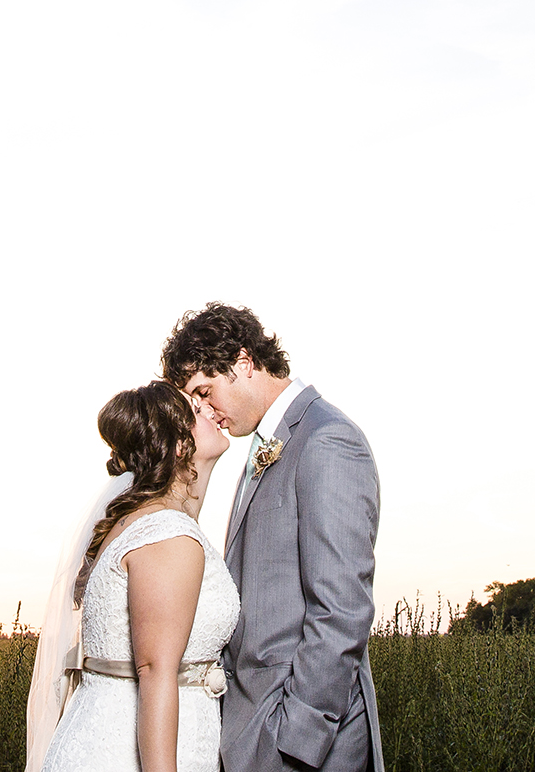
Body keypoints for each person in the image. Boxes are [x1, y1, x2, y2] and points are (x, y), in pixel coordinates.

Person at [164, 303, 383, 772]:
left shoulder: (326, 440)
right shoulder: (268, 443)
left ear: (243, 363)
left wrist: (295, 739)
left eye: (205, 391)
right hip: (254, 731)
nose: (205, 410)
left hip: (302, 745)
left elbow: (342, 610)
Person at [30, 381, 239, 772]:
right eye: (196, 410)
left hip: (101, 735)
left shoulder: (136, 521)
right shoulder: (168, 534)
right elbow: (155, 671)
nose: (210, 411)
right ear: (179, 445)